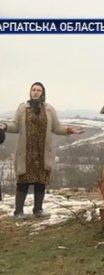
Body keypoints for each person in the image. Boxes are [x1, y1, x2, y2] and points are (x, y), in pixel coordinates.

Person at [0, 82, 83, 218]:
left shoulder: (49, 109)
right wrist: (4, 126)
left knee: (41, 181)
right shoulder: (22, 108)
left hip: (42, 151)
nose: (36, 92)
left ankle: (38, 210)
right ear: (30, 92)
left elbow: (56, 127)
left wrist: (69, 130)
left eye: (39, 90)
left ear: (43, 93)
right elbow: (15, 126)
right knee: (23, 181)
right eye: (33, 89)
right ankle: (18, 211)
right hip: (26, 151)